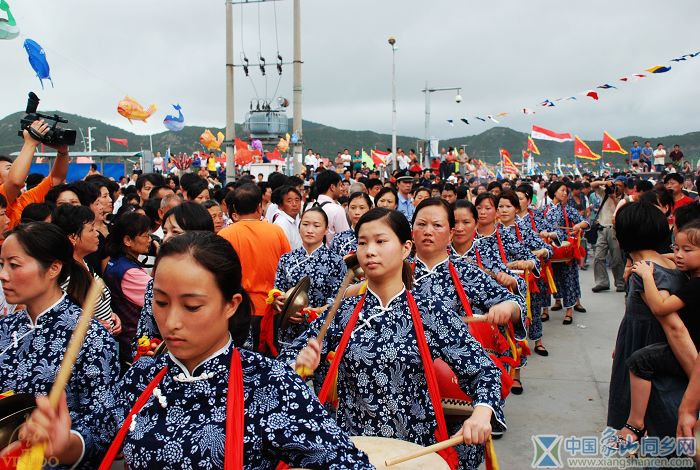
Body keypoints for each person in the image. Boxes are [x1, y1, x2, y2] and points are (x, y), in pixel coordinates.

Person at [20, 231, 373, 469]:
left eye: (191, 307)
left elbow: (346, 462)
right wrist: (66, 444)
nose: (170, 322)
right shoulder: (143, 377)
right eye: (160, 302)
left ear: (231, 304)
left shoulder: (269, 383)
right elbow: (98, 439)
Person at [285, 208, 505, 470]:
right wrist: (300, 366)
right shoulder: (341, 312)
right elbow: (284, 367)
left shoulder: (429, 312)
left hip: (415, 453)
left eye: (380, 241)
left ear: (405, 248)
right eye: (363, 243)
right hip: (351, 450)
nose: (369, 250)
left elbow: (485, 371)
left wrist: (481, 413)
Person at [0, 222, 119, 467]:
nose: (3, 274)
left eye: (14, 265)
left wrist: (66, 445)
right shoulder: (5, 327)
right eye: (2, 264)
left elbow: (103, 427)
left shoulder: (91, 337)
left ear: (54, 268)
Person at [610, 219, 700, 449]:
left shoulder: (695, 285)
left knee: (640, 361)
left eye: (686, 250)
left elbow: (661, 309)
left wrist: (647, 276)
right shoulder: (686, 275)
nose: (678, 255)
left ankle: (635, 423)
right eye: (675, 248)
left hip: (689, 351)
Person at [133, 202, 215, 353]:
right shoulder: (156, 284)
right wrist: (148, 351)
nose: (166, 238)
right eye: (165, 232)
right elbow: (144, 332)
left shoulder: (218, 279)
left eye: (175, 233)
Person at [219, 184, 291, 356]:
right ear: (259, 207)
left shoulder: (225, 235)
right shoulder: (276, 232)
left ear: (234, 209)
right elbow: (288, 269)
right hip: (272, 309)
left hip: (237, 310)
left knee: (238, 362)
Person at [273, 207, 347, 347]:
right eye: (305, 224)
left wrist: (314, 313)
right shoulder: (287, 259)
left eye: (316, 225)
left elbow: (338, 299)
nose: (310, 230)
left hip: (320, 333)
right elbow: (278, 289)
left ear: (326, 230)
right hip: (288, 331)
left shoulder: (336, 261)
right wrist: (277, 301)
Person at [52, 203, 120, 335]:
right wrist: (93, 325)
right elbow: (67, 319)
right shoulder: (66, 276)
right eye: (91, 229)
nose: (97, 234)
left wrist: (111, 316)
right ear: (73, 237)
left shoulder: (84, 262)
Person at [500, 190, 553, 356]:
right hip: (500, 281)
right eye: (500, 206)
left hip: (525, 280)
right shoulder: (491, 231)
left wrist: (536, 256)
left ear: (516, 208)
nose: (503, 210)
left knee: (533, 311)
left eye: (508, 206)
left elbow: (548, 249)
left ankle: (537, 341)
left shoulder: (524, 229)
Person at [104, 211, 153, 365]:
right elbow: (158, 297)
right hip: (135, 343)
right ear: (127, 240)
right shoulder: (130, 273)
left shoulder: (116, 261)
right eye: (145, 236)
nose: (149, 240)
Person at [0, 120, 70, 229]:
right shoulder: (2, 196)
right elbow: (15, 182)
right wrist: (30, 142)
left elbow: (57, 178)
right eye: (9, 168)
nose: (16, 168)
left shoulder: (24, 200)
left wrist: (63, 151)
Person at [543, 182, 588, 325]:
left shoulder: (568, 210)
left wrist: (579, 225)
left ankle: (569, 310)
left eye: (566, 191)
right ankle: (546, 309)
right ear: (554, 192)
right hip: (549, 251)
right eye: (562, 190)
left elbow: (586, 223)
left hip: (565, 251)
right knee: (549, 279)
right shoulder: (543, 210)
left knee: (568, 278)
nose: (565, 193)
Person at [590, 177, 625, 293]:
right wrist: (605, 183)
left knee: (616, 258)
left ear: (624, 187)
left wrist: (614, 198)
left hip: (615, 230)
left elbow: (621, 212)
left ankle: (620, 282)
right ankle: (602, 282)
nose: (617, 187)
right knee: (598, 257)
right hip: (602, 227)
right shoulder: (604, 192)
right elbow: (593, 184)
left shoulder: (624, 198)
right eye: (616, 185)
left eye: (619, 185)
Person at [314, 170, 350, 246]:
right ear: (332, 187)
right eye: (340, 185)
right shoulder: (337, 209)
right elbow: (346, 240)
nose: (342, 189)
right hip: (333, 256)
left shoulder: (310, 206)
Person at [330, 191, 372, 257]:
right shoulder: (338, 239)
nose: (357, 212)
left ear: (370, 209)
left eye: (362, 208)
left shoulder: (377, 237)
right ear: (348, 210)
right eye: (353, 208)